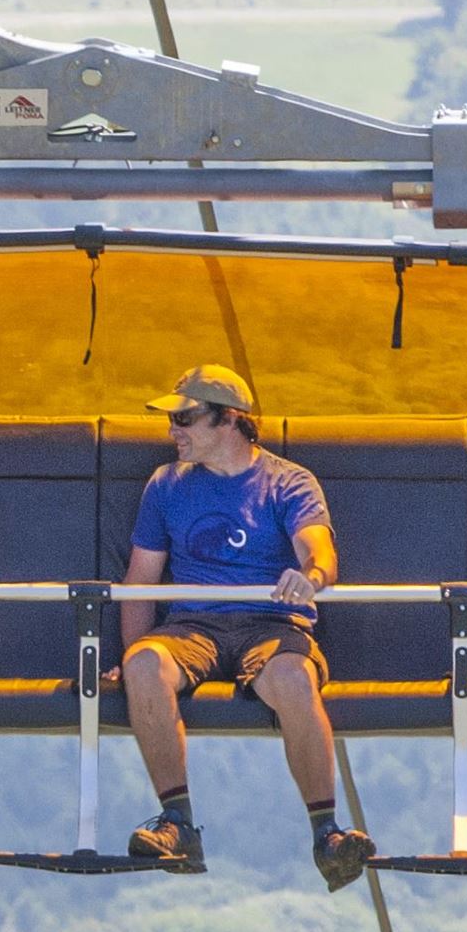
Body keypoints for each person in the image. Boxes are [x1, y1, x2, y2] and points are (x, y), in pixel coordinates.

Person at [116, 364, 375, 889]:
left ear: (229, 419)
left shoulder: (288, 481)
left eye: (185, 419)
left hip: (270, 622)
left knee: (294, 680)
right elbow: (140, 580)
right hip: (193, 626)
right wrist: (129, 661)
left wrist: (311, 577)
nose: (173, 432)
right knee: (143, 665)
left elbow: (319, 551)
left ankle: (327, 834)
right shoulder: (165, 485)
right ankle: (177, 824)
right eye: (171, 420)